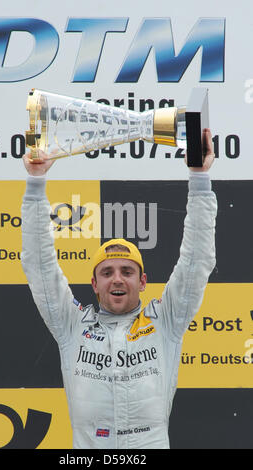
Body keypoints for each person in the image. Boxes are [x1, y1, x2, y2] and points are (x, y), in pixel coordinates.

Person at [21, 129, 217, 449]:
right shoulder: (71, 325)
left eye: (127, 271)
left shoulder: (165, 321)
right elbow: (39, 265)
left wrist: (199, 178)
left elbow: (197, 260)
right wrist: (35, 184)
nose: (117, 279)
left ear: (142, 282)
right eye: (107, 272)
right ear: (94, 285)